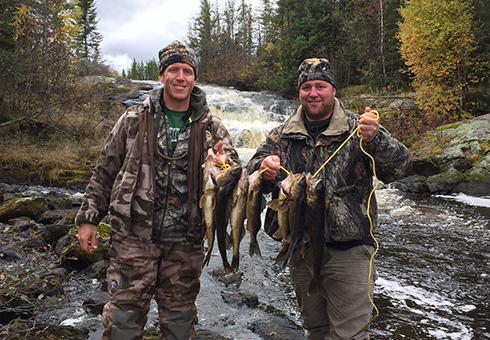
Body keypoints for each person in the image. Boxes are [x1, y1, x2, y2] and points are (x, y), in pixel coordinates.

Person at [75, 41, 241, 340]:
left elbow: (234, 174)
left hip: (186, 243)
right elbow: (106, 169)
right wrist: (88, 218)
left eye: (187, 71)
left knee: (179, 324)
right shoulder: (133, 119)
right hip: (133, 238)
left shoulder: (212, 127)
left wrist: (223, 164)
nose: (181, 77)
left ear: (194, 78)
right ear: (162, 75)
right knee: (123, 321)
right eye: (174, 70)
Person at [246, 58, 412, 340]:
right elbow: (251, 175)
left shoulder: (359, 129)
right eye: (307, 86)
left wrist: (376, 141)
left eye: (320, 86)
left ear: (333, 89)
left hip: (350, 251)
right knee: (316, 331)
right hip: (299, 248)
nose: (313, 93)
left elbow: (400, 168)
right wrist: (264, 170)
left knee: (349, 335)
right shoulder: (283, 133)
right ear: (300, 91)